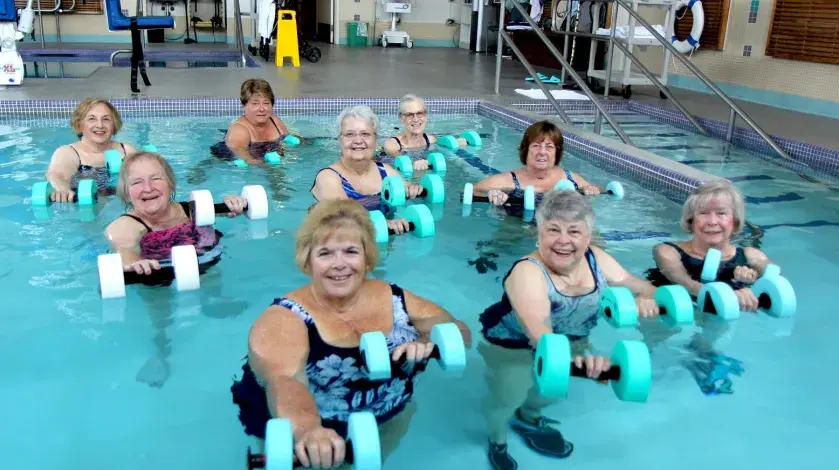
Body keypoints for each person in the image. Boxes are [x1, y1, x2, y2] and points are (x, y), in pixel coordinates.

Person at [231, 199, 472, 468]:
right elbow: (285, 381)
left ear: (367, 258)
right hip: (306, 425)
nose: (339, 264)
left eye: (350, 251)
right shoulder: (284, 319)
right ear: (307, 261)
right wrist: (308, 430)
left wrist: (427, 341)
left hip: (382, 415)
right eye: (325, 253)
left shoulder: (396, 299)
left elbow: (460, 332)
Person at [477, 189, 660, 470]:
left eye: (574, 231)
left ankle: (529, 419)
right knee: (508, 395)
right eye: (553, 230)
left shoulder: (595, 257)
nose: (563, 241)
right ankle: (497, 437)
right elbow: (538, 328)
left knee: (551, 391)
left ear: (588, 236)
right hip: (510, 343)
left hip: (570, 339)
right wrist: (581, 363)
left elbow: (632, 282)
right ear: (538, 233)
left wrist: (648, 298)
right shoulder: (528, 271)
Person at [104, 151, 248, 281]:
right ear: (127, 194)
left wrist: (234, 203)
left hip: (208, 266)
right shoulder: (125, 226)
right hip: (155, 276)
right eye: (137, 182)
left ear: (171, 184)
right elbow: (125, 250)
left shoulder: (193, 210)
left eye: (155, 178)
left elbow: (231, 212)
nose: (148, 188)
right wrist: (135, 263)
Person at [647, 180, 774, 312]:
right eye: (703, 213)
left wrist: (753, 278)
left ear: (735, 222)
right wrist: (731, 294)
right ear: (691, 220)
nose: (712, 221)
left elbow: (776, 286)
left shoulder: (752, 257)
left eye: (721, 213)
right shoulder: (667, 252)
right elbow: (685, 283)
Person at [311, 105, 426, 235]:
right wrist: (381, 223)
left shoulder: (385, 171)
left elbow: (411, 191)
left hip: (383, 241)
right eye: (349, 134)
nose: (358, 141)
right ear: (340, 140)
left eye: (365, 134)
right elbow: (342, 215)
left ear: (375, 139)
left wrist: (415, 189)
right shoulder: (328, 177)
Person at [471, 120, 601, 208]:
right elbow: (470, 190)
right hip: (517, 230)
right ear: (526, 149)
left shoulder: (569, 178)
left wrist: (592, 189)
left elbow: (600, 189)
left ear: (557, 152)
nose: (542, 152)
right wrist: (491, 195)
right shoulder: (509, 181)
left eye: (549, 147)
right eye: (536, 146)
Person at [44, 98, 137, 202]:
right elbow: (56, 174)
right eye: (92, 119)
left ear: (114, 124)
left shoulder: (126, 150)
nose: (100, 125)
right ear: (80, 124)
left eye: (106, 119)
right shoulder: (69, 152)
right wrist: (63, 189)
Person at [212, 78, 294, 165]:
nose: (262, 109)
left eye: (266, 103)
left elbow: (288, 139)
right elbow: (239, 151)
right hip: (228, 157)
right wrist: (255, 162)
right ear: (244, 105)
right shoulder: (239, 130)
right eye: (255, 103)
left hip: (267, 153)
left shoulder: (274, 121)